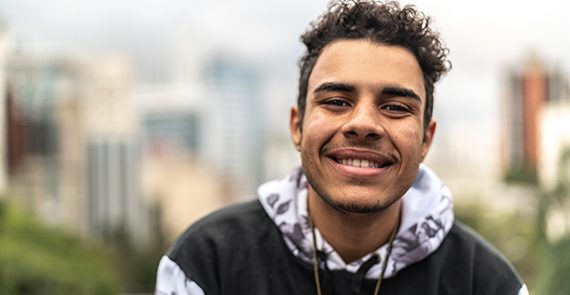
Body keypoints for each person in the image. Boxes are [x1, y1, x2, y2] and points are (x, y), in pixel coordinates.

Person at [155, 1, 529, 294]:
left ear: (426, 140)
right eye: (336, 101)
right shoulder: (205, 266)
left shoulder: (489, 284)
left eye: (395, 107)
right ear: (297, 127)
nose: (363, 124)